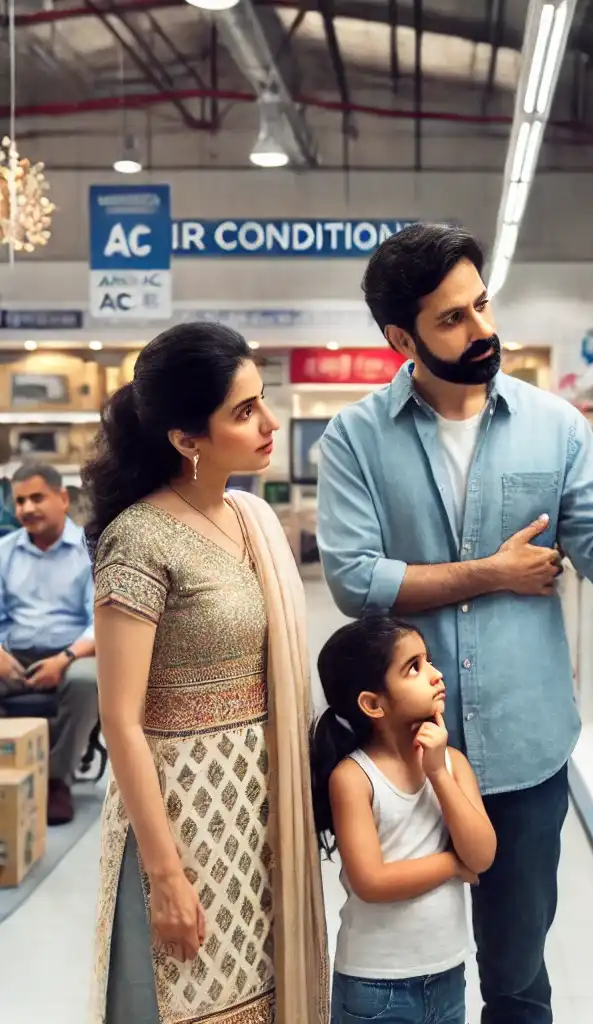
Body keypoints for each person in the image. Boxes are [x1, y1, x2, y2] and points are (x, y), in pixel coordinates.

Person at [316, 222, 593, 1023]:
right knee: (409, 967)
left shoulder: (553, 426)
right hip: (406, 765)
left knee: (518, 976)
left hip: (525, 749)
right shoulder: (355, 439)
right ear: (400, 337)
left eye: (481, 305)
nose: (482, 329)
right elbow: (355, 581)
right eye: (451, 319)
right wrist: (492, 572)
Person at [82, 323, 328, 1024]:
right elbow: (121, 720)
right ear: (187, 440)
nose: (269, 423)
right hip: (181, 820)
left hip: (254, 820)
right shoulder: (140, 539)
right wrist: (165, 877)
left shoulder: (249, 518)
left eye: (262, 401)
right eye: (243, 411)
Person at [310, 616, 496, 1024]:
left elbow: (481, 855)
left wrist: (438, 773)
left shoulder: (451, 763)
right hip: (375, 986)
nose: (435, 674)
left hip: (447, 974)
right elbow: (372, 882)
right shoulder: (354, 778)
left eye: (428, 661)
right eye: (414, 667)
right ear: (373, 704)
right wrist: (451, 864)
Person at [0, 462, 97, 825]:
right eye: (20, 501)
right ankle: (6, 772)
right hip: (13, 653)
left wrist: (64, 658)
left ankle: (55, 779)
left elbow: (100, 623)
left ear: (62, 498)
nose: (26, 509)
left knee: (90, 681)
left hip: (73, 654)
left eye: (36, 498)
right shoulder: (4, 552)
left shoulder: (90, 552)